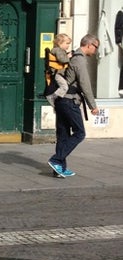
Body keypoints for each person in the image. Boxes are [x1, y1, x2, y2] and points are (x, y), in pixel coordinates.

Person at [47, 34, 100, 178]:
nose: (96, 51)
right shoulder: (79, 60)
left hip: (61, 100)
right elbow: (85, 84)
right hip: (69, 101)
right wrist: (92, 106)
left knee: (63, 134)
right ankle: (56, 160)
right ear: (89, 45)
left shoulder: (72, 57)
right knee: (79, 133)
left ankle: (59, 169)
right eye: (96, 47)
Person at [45, 33, 73, 107]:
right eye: (67, 43)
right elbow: (62, 60)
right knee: (64, 87)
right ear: (60, 43)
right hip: (57, 73)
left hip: (59, 73)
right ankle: (52, 97)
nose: (68, 46)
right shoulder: (58, 50)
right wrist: (69, 57)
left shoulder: (58, 50)